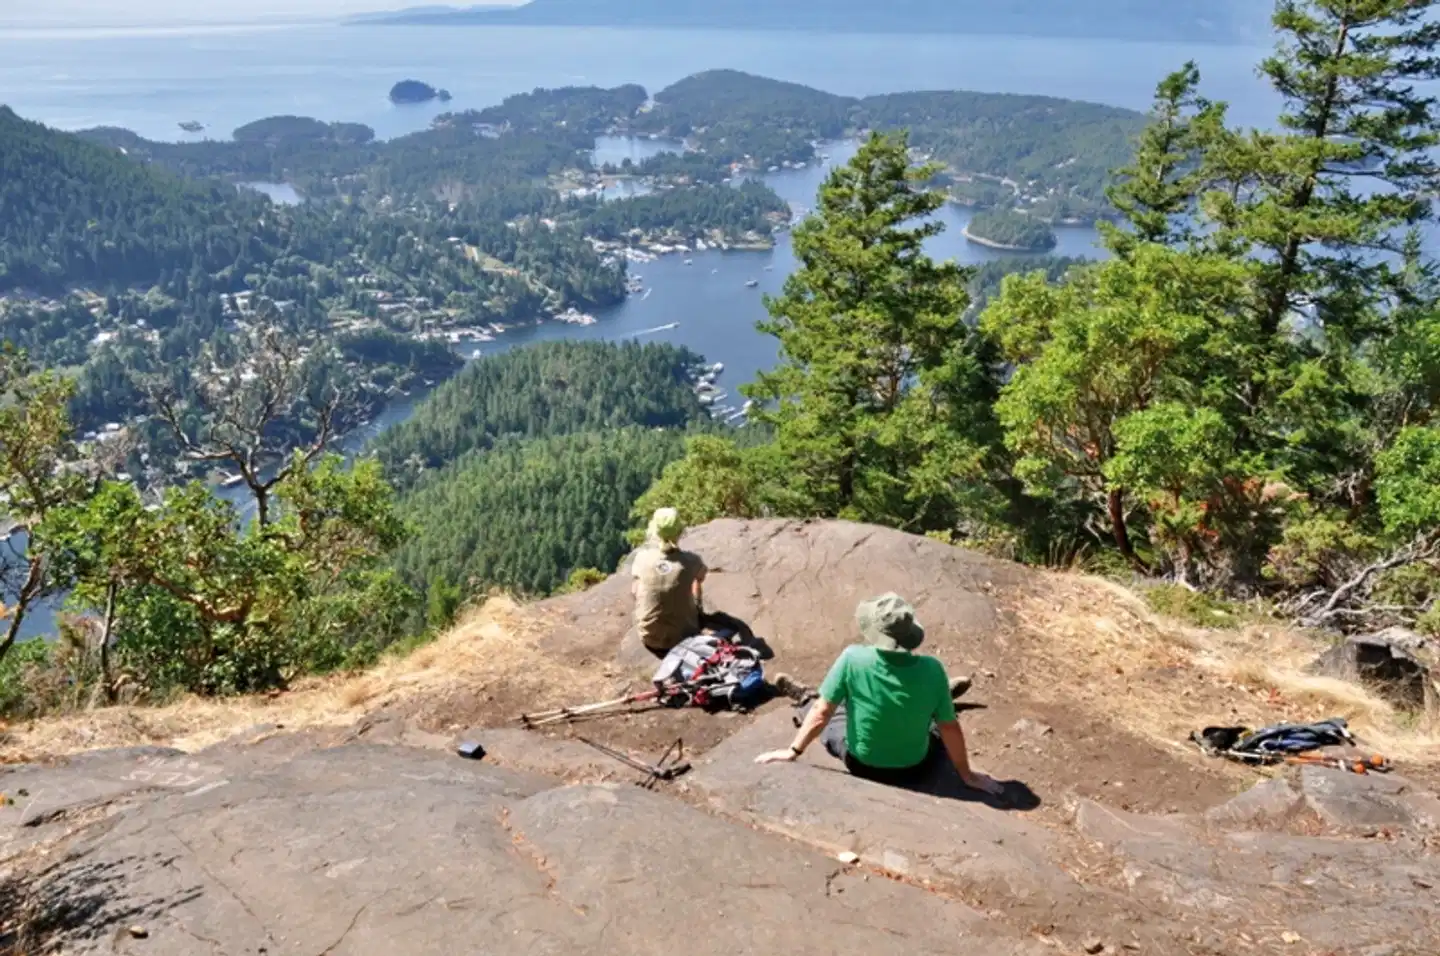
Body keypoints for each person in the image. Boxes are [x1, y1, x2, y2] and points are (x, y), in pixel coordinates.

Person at [755, 593, 1003, 796]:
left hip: (862, 764)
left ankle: (806, 697)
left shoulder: (852, 658)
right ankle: (942, 698)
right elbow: (950, 728)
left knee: (827, 708)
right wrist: (967, 775)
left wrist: (793, 751)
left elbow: (823, 713)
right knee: (934, 723)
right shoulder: (932, 668)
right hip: (915, 768)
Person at [631, 508, 709, 656]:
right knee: (694, 584)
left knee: (638, 584)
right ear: (679, 532)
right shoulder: (691, 561)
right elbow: (701, 576)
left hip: (650, 638)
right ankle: (697, 612)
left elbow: (635, 590)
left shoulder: (642, 558)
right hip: (685, 638)